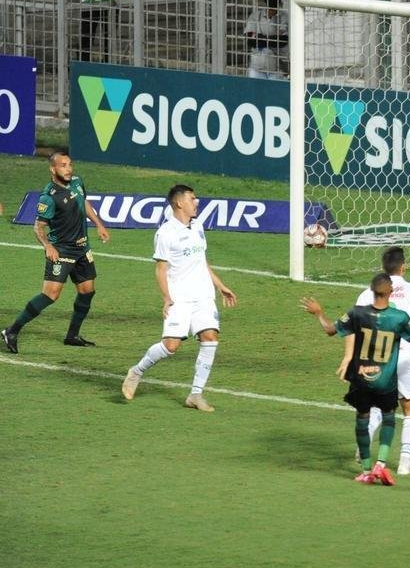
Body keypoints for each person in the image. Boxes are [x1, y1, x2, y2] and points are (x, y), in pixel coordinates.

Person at [301, 246, 410, 476]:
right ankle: (404, 463)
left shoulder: (366, 294)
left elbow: (345, 328)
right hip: (403, 358)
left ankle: (363, 450)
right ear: (403, 267)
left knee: (373, 408)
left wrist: (322, 318)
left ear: (382, 270)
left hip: (373, 363)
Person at [121, 184, 237, 412]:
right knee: (171, 346)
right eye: (192, 199)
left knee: (210, 338)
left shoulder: (198, 226)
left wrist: (220, 285)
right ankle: (136, 371)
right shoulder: (166, 233)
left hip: (203, 295)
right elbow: (160, 269)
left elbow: (201, 261)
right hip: (180, 298)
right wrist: (166, 298)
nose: (196, 202)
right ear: (179, 203)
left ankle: (196, 394)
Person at [1, 151, 111, 354]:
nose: (69, 169)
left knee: (87, 291)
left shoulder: (77, 182)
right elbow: (38, 227)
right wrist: (48, 246)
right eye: (63, 165)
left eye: (70, 165)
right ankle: (12, 331)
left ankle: (72, 336)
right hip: (61, 250)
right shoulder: (49, 197)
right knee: (50, 295)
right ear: (53, 169)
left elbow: (83, 201)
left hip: (82, 248)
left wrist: (99, 224)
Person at [243, 0, 288, 80]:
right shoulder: (255, 16)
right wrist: (273, 39)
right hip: (256, 68)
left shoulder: (284, 17)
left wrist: (260, 37)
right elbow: (250, 40)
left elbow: (282, 41)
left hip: (277, 68)